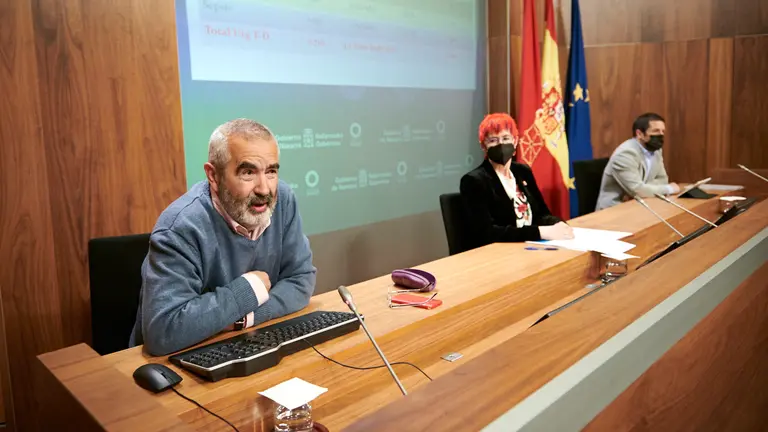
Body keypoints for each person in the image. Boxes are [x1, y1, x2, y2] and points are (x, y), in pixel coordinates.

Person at [130, 118, 316, 356]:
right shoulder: (179, 227)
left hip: (250, 342)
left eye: (271, 172)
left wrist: (243, 319)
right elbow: (164, 332)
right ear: (213, 176)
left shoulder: (283, 199)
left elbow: (301, 280)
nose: (264, 189)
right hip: (173, 364)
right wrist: (248, 289)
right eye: (248, 172)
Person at [460, 113, 574, 246]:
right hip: (498, 253)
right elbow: (488, 233)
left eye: (505, 138)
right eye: (493, 140)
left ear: (515, 141)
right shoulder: (473, 181)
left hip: (530, 246)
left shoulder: (522, 171)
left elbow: (542, 214)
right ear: (484, 146)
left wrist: (558, 224)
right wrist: (540, 233)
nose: (501, 144)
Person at [595, 113, 680, 211]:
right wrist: (669, 189)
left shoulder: (655, 150)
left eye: (663, 131)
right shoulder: (625, 154)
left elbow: (662, 179)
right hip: (614, 210)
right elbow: (638, 190)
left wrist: (644, 190)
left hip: (641, 205)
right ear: (639, 134)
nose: (661, 135)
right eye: (656, 131)